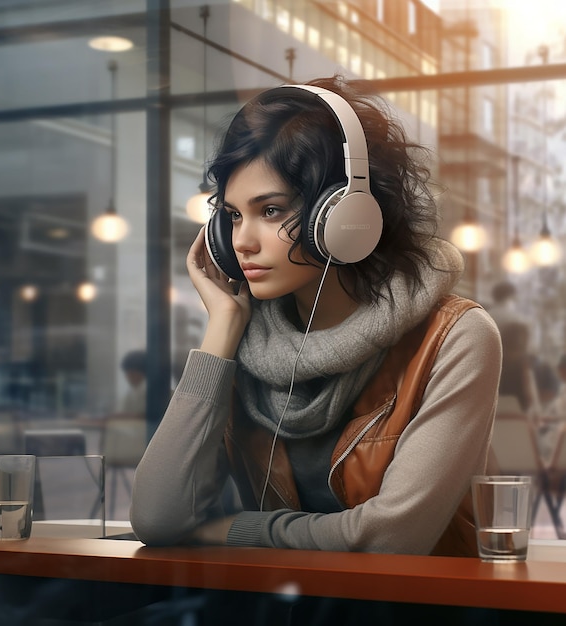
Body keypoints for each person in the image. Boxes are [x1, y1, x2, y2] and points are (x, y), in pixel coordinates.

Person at [130, 76, 501, 556]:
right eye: (234, 216)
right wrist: (221, 327)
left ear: (347, 216)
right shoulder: (244, 339)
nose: (242, 241)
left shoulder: (455, 337)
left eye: (270, 210)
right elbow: (157, 519)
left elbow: (392, 538)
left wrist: (238, 531)